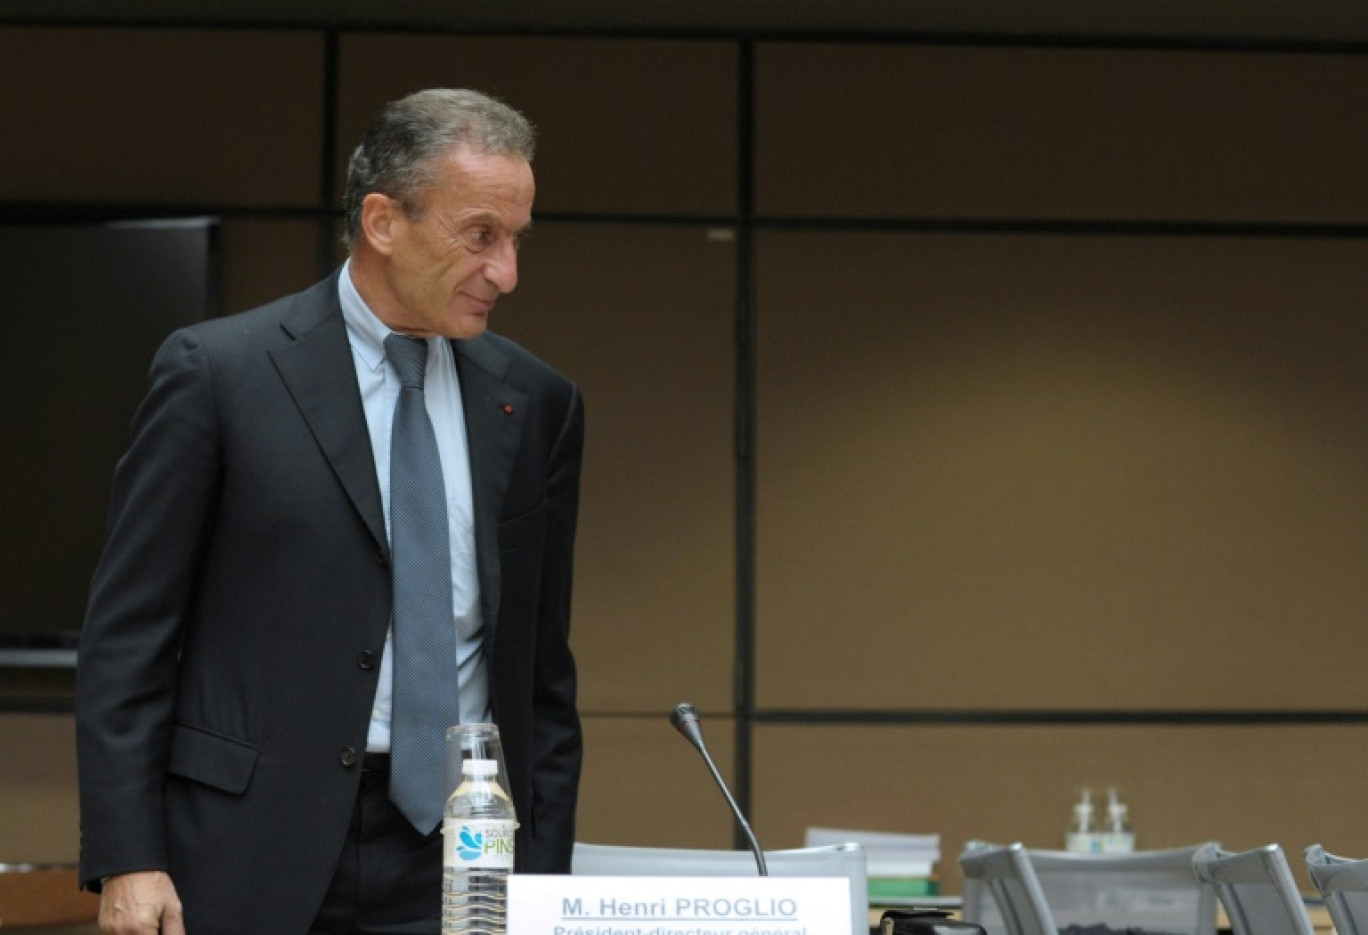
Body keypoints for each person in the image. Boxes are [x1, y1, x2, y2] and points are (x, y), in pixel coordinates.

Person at [75, 88, 584, 935]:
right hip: (247, 846)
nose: (507, 273)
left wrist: (544, 884)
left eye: (516, 240)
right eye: (480, 236)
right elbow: (128, 638)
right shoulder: (219, 375)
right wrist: (129, 852)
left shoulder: (536, 403)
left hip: (462, 861)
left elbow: (540, 676)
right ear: (384, 222)